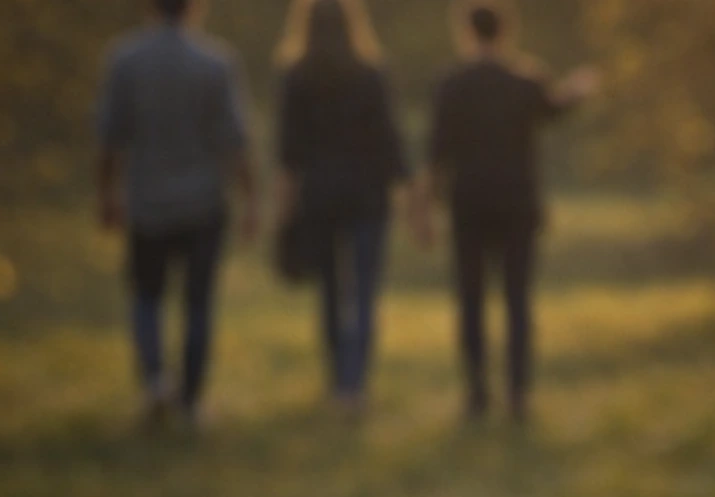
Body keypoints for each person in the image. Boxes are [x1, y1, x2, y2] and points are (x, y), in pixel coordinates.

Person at [414, 3, 597, 423]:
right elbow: (555, 109)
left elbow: (437, 151)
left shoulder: (451, 84)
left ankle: (477, 393)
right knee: (517, 299)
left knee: (471, 299)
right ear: (506, 31)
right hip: (517, 204)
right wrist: (579, 88)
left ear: (465, 31)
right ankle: (517, 394)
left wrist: (424, 208)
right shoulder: (525, 80)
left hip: (469, 204)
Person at [95, 0, 258, 429]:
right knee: (198, 302)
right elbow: (234, 141)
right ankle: (190, 400)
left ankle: (154, 379)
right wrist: (251, 199)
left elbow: (111, 137)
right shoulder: (215, 62)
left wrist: (106, 194)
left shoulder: (126, 59)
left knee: (147, 295)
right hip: (203, 202)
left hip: (147, 200)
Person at [276, 0, 408, 416]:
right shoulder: (370, 73)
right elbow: (389, 137)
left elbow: (289, 151)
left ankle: (337, 380)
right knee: (363, 292)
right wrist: (407, 191)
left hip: (319, 195)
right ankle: (354, 384)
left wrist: (285, 207)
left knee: (331, 291)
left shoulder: (297, 75)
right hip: (367, 195)